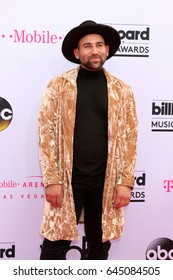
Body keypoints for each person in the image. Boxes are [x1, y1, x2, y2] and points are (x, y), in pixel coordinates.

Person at [38, 20, 138, 260]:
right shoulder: (59, 85)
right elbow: (46, 133)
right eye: (87, 46)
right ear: (77, 52)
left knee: (100, 244)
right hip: (67, 178)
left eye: (99, 45)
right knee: (55, 244)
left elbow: (130, 138)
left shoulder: (121, 89)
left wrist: (124, 181)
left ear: (107, 50)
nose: (94, 50)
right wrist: (52, 179)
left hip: (105, 181)